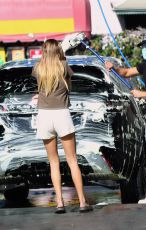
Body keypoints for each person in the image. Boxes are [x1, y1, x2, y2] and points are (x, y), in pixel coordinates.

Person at [32, 39, 93, 213]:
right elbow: (68, 85)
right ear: (58, 50)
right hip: (62, 115)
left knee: (53, 162)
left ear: (44, 51)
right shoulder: (63, 66)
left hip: (44, 116)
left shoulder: (38, 68)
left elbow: (41, 86)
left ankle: (59, 203)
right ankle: (82, 202)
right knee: (72, 160)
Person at [105, 34, 146, 201]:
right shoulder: (144, 65)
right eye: (143, 46)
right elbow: (125, 72)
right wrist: (114, 68)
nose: (145, 50)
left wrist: (142, 94)